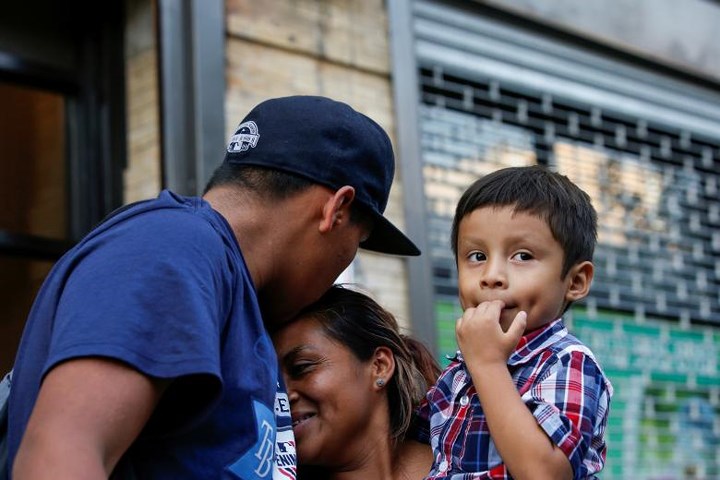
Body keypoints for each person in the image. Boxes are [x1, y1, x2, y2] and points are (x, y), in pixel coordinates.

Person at [8, 95, 420, 479]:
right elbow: (59, 453)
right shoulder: (175, 249)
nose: (344, 264)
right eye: (357, 243)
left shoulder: (226, 287)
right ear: (336, 210)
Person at [416, 165, 613, 479]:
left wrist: (489, 365)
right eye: (477, 256)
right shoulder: (458, 372)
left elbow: (545, 473)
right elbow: (409, 443)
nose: (492, 276)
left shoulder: (568, 363)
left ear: (575, 281)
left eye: (522, 256)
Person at [272, 285, 441, 480]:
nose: (282, 396)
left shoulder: (467, 458)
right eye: (273, 382)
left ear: (380, 365)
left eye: (301, 367)